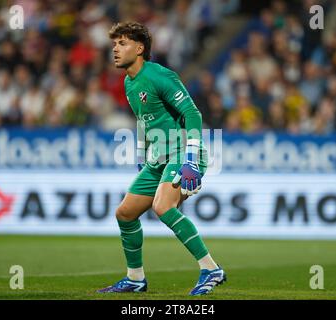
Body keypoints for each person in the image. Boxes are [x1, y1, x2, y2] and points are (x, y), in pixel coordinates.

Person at [97, 22, 226, 296]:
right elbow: (144, 121)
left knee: (163, 206)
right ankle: (135, 278)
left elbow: (193, 114)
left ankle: (211, 269)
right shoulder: (129, 83)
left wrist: (191, 160)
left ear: (140, 48)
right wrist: (144, 154)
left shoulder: (159, 76)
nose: (116, 49)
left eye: (122, 43)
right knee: (125, 213)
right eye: (114, 45)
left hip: (183, 152)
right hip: (159, 159)